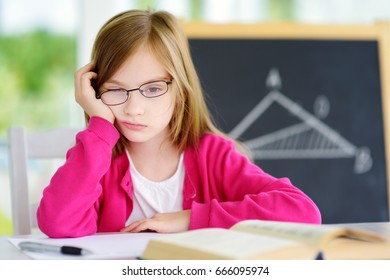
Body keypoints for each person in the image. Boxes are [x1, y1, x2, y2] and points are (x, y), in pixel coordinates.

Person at [37, 9, 321, 238]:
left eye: (152, 89)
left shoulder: (214, 155)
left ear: (180, 90)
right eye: (115, 89)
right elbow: (58, 224)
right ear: (95, 90)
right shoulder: (98, 159)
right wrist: (100, 124)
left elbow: (302, 212)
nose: (134, 109)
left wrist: (191, 218)